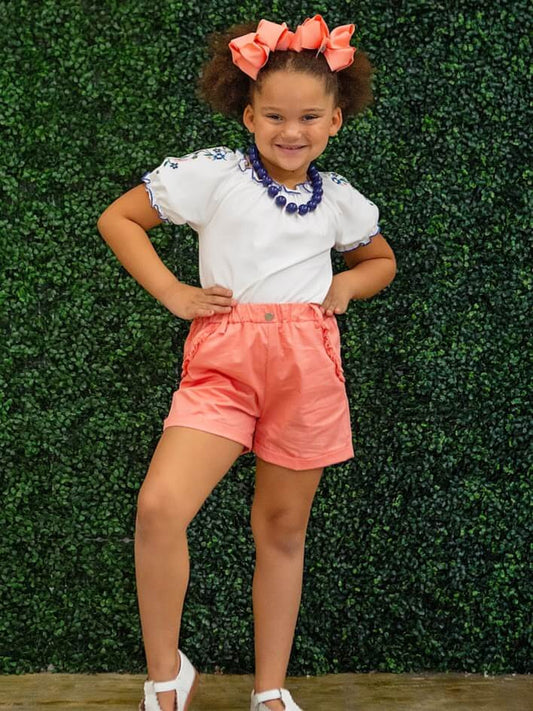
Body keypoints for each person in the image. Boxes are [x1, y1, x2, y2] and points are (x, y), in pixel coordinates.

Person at [97, 14, 396, 711]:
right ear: (246, 113)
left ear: (335, 120)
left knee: (281, 530)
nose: (290, 131)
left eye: (309, 117)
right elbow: (120, 218)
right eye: (273, 116)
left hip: (307, 370)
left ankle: (269, 689)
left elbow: (378, 260)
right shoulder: (213, 175)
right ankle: (166, 675)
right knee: (160, 506)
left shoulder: (340, 199)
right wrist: (172, 290)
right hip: (223, 363)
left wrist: (346, 284)